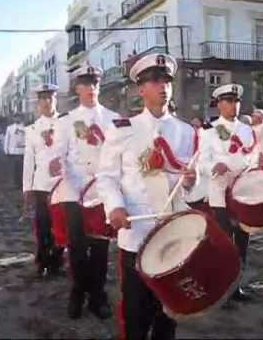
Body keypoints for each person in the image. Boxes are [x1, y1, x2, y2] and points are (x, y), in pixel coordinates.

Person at [97, 53, 196, 339]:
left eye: (166, 80)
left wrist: (192, 180)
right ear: (141, 89)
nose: (163, 86)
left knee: (168, 310)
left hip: (173, 231)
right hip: (137, 230)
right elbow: (107, 176)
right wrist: (115, 208)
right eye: (155, 81)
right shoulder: (122, 130)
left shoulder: (185, 131)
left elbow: (188, 181)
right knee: (136, 311)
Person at [49, 64, 119, 320]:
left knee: (100, 250)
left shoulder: (113, 119)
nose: (91, 88)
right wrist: (56, 164)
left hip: (101, 190)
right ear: (77, 88)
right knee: (77, 249)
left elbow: (118, 156)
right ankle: (78, 292)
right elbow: (59, 152)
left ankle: (98, 297)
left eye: (95, 83)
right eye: (86, 83)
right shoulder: (66, 121)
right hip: (74, 191)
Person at [198, 83, 263, 303]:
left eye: (236, 101)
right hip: (220, 194)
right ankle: (221, 289)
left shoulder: (247, 130)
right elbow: (201, 161)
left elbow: (252, 156)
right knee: (224, 244)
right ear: (219, 104)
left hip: (243, 194)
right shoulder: (208, 129)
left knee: (242, 243)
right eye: (228, 101)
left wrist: (259, 163)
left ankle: (236, 287)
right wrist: (213, 167)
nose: (233, 105)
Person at [23, 84, 64, 277]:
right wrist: (27, 188)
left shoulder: (67, 123)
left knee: (61, 225)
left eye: (50, 97)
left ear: (56, 99)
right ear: (37, 104)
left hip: (64, 184)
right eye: (43, 99)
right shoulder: (32, 129)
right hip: (42, 185)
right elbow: (28, 161)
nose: (47, 102)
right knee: (43, 225)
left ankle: (57, 261)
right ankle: (42, 261)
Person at [4, 113, 25, 188]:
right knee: (14, 168)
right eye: (15, 117)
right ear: (13, 119)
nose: (17, 119)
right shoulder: (9, 128)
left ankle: (22, 183)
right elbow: (7, 139)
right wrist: (6, 150)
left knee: (22, 168)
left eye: (18, 117)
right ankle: (15, 183)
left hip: (23, 151)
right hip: (13, 151)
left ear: (21, 118)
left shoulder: (25, 127)